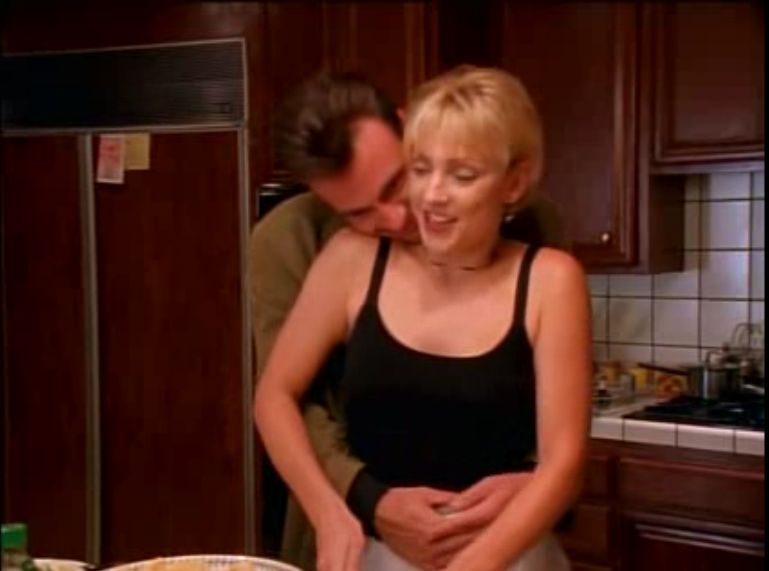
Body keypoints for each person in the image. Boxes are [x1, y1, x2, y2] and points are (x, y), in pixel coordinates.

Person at [253, 65, 592, 571]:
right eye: (359, 212)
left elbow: (562, 453)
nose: (403, 214)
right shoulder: (329, 253)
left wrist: (528, 485)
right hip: (373, 542)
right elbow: (280, 396)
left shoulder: (547, 264)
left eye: (396, 181)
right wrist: (341, 508)